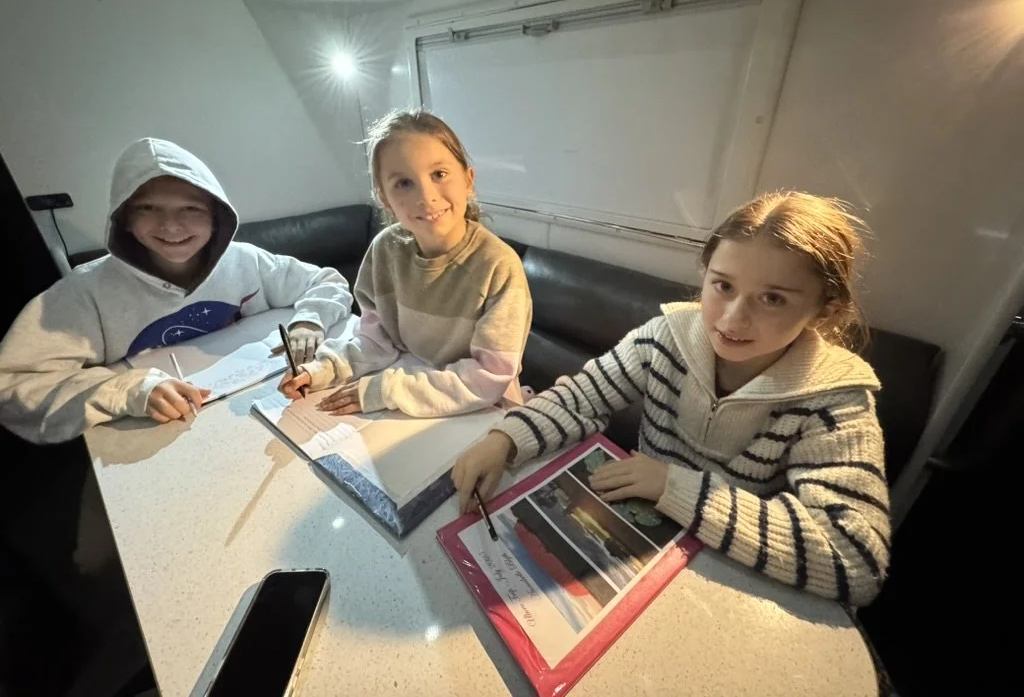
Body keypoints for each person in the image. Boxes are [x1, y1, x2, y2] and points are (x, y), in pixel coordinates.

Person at [453, 191, 890, 606]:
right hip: (636, 549)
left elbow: (856, 562)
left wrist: (674, 486)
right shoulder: (667, 337)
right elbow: (582, 397)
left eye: (772, 299)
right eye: (722, 286)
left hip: (730, 578)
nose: (734, 318)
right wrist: (504, 439)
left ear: (825, 310)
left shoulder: (835, 401)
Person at [0, 137, 353, 444]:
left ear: (216, 216)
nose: (171, 226)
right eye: (148, 209)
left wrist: (309, 321)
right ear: (124, 217)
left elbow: (326, 281)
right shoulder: (84, 292)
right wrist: (126, 390)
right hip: (150, 440)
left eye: (191, 208)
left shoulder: (245, 261)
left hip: (260, 417)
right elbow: (12, 385)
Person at [280, 109, 532, 418]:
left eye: (439, 174)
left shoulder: (499, 266)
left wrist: (386, 390)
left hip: (481, 413)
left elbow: (488, 378)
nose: (426, 196)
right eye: (403, 183)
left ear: (468, 180)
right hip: (404, 402)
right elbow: (375, 338)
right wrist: (324, 368)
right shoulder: (385, 250)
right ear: (384, 198)